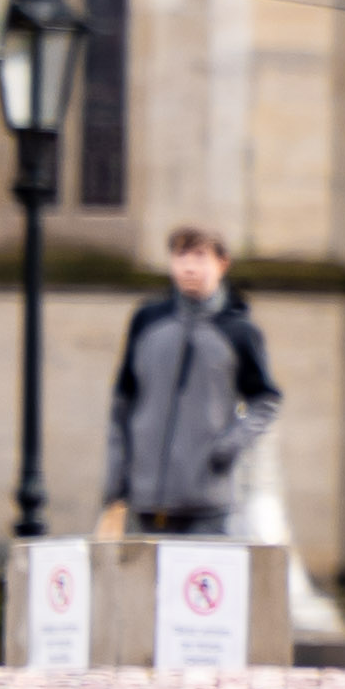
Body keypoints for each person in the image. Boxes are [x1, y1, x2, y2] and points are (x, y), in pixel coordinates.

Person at [104, 227, 282, 535]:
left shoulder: (238, 331)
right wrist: (116, 480)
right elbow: (123, 403)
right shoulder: (147, 321)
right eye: (180, 256)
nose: (188, 267)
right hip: (143, 498)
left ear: (221, 264)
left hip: (206, 501)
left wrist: (227, 446)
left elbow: (265, 400)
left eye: (200, 257)